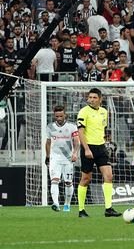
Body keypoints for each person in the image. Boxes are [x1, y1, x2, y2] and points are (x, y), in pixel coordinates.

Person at [76, 88, 121, 218]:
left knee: (109, 176)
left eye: (94, 97)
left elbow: (102, 129)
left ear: (100, 99)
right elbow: (80, 132)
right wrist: (87, 149)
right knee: (86, 179)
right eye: (90, 97)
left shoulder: (104, 112)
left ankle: (108, 208)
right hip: (88, 147)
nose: (91, 99)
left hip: (101, 147)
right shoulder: (83, 112)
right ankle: (81, 210)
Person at [45, 106, 79, 212]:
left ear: (65, 115)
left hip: (68, 157)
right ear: (54, 116)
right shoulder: (50, 127)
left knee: (68, 182)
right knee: (54, 180)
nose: (59, 118)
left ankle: (67, 204)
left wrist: (75, 153)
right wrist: (47, 156)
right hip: (55, 158)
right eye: (57, 116)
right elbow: (48, 142)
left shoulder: (72, 126)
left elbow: (76, 141)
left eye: (61, 116)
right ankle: (56, 203)